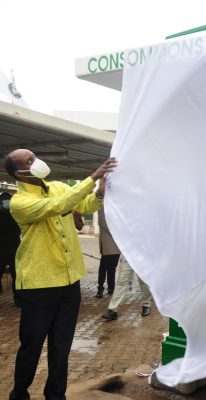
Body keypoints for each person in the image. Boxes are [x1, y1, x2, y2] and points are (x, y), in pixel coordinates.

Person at [4, 149, 117, 400]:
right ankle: (19, 394)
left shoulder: (57, 186)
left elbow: (84, 204)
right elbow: (57, 207)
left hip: (68, 281)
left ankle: (56, 395)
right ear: (17, 174)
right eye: (29, 162)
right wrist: (92, 176)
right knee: (31, 347)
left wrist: (99, 190)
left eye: (35, 157)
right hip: (38, 285)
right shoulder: (19, 202)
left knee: (61, 346)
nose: (36, 162)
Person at [101, 255, 152, 320]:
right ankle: (112, 309)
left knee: (144, 282)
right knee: (121, 282)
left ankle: (146, 305)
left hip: (142, 255)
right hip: (127, 255)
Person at [95, 207, 121, 298]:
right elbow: (102, 223)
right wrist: (118, 232)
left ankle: (111, 287)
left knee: (112, 267)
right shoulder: (103, 205)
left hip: (116, 243)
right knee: (104, 267)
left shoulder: (116, 205)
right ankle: (101, 288)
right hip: (108, 241)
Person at [0, 192, 20, 305]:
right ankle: (18, 300)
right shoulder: (16, 214)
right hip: (12, 248)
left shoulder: (16, 213)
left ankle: (18, 299)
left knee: (17, 276)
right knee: (16, 275)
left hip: (11, 248)